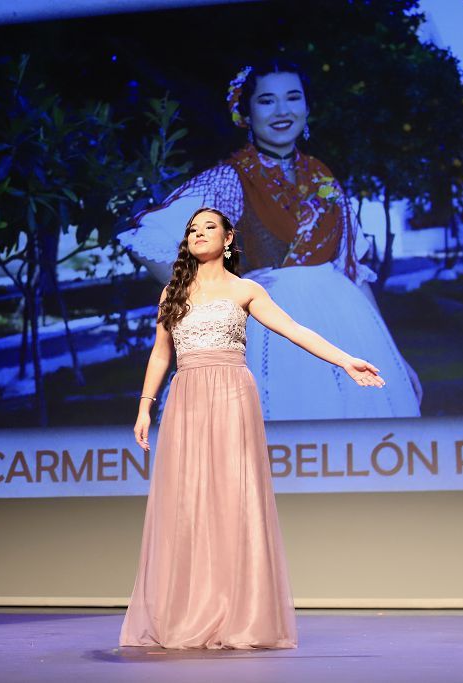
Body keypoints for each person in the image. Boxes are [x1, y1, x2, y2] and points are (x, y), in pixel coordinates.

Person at [119, 208, 385, 649]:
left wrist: (344, 359)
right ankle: (189, 610)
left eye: (209, 227)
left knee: (232, 498)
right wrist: (145, 407)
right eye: (192, 229)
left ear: (228, 240)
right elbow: (160, 355)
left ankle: (238, 613)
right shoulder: (173, 292)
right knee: (187, 501)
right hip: (186, 398)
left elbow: (294, 329)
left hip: (230, 395)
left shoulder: (246, 289)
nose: (199, 233)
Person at [118, 59, 420, 420]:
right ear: (245, 111)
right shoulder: (229, 180)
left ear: (307, 108)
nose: (282, 111)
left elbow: (353, 274)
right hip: (271, 331)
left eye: (293, 98)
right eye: (266, 101)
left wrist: (395, 357)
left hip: (346, 326)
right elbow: (146, 235)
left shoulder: (326, 181)